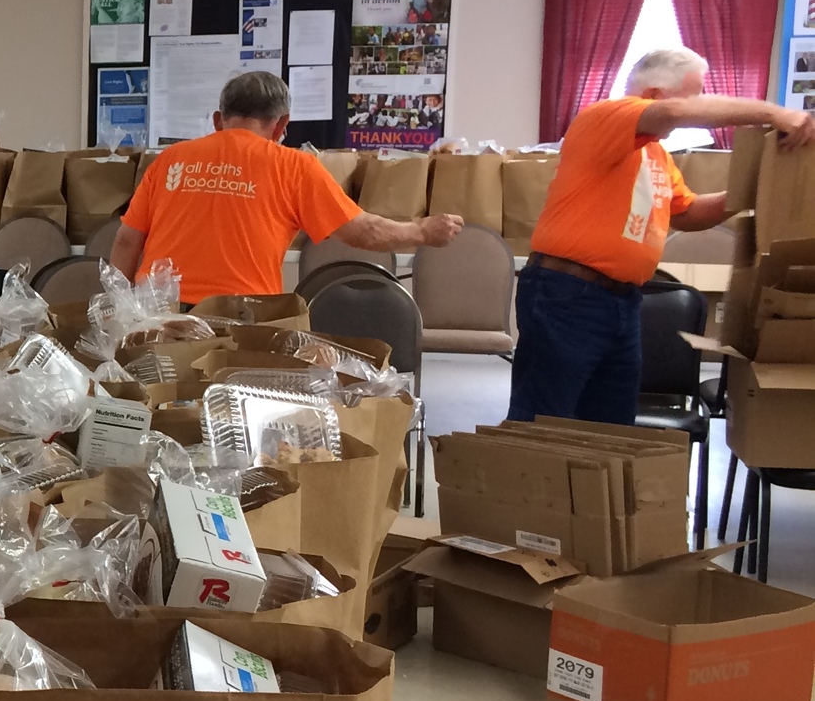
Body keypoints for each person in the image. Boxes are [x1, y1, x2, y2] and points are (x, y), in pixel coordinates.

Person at [509, 48, 815, 423]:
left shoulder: (655, 154)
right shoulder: (607, 116)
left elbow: (686, 213)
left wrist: (756, 189)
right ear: (654, 94)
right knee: (543, 421)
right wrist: (773, 113)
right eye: (695, 96)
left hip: (620, 300)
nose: (700, 106)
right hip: (568, 294)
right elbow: (674, 113)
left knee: (609, 427)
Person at [109, 71, 463, 303]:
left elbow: (127, 239)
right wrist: (422, 231)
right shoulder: (293, 166)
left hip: (156, 310)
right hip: (241, 315)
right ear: (281, 126)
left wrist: (119, 307)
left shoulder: (171, 159)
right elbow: (363, 232)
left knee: (157, 409)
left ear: (218, 120)